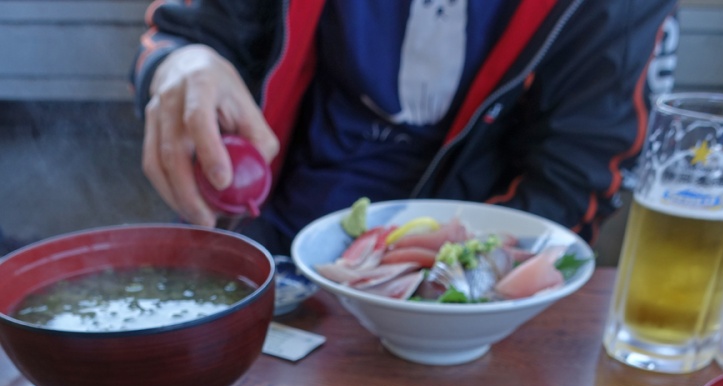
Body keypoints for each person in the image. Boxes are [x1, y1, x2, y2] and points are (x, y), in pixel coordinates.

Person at [131, 0, 679, 255]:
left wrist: (460, 285)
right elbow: (192, 31)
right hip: (264, 239)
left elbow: (580, 168)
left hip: (467, 272)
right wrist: (178, 64)